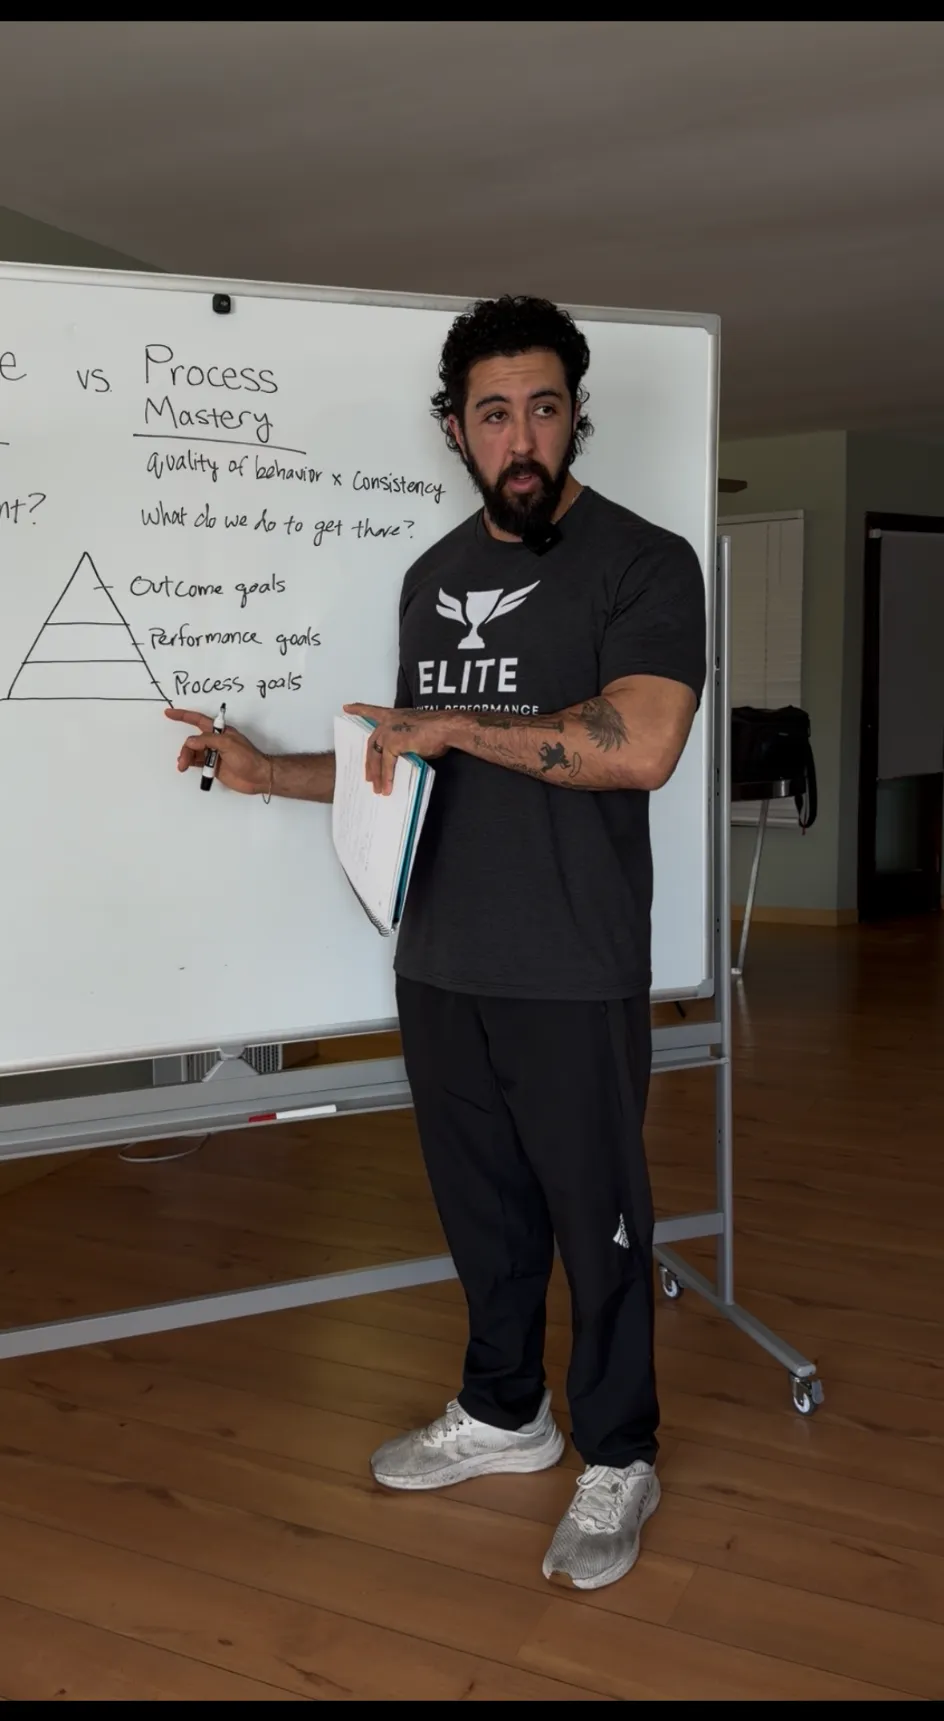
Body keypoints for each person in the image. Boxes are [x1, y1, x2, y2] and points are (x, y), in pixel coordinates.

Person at [168, 294, 706, 1592]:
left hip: (572, 962)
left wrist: (458, 725)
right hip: (443, 958)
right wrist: (264, 772)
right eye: (493, 414)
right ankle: (506, 1412)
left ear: (575, 417)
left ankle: (619, 1449)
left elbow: (641, 744)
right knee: (484, 1214)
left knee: (598, 1222)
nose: (520, 438)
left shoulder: (644, 562)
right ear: (456, 429)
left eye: (542, 409)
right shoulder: (432, 579)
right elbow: (405, 767)